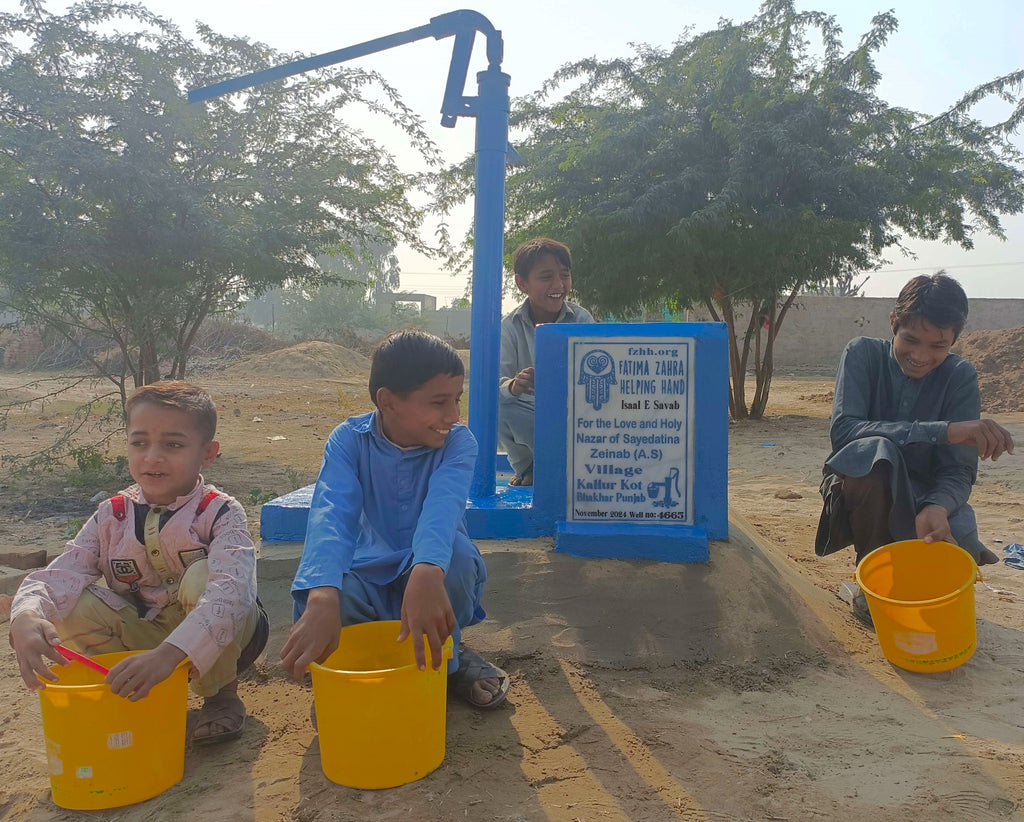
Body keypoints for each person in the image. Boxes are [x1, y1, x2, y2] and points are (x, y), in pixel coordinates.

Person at [9, 381, 269, 744]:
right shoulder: (110, 516)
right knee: (63, 605)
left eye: (173, 445)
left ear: (208, 454)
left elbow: (232, 594)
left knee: (203, 577)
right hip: (147, 636)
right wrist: (25, 615)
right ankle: (135, 688)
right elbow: (59, 575)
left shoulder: (221, 512)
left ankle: (221, 696)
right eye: (139, 442)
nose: (153, 457)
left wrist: (169, 655)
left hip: (228, 637)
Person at [280, 329, 509, 710]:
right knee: (326, 588)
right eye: (438, 402)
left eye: (457, 400)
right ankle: (361, 675)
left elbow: (442, 511)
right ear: (388, 401)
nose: (452, 415)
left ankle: (446, 667)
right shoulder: (348, 441)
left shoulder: (459, 443)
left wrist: (426, 570)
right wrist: (321, 593)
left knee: (453, 558)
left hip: (429, 575)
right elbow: (332, 514)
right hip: (366, 574)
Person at [814, 273, 1015, 623]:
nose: (921, 356)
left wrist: (936, 507)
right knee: (875, 453)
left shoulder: (960, 376)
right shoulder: (862, 354)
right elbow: (845, 433)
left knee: (952, 565)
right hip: (863, 490)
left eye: (938, 346)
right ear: (894, 322)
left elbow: (958, 469)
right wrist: (945, 431)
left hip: (925, 494)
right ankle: (874, 574)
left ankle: (911, 572)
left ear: (954, 339)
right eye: (911, 340)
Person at [499, 237, 595, 486]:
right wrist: (514, 385)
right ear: (522, 283)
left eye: (564, 275)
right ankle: (530, 467)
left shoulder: (582, 320)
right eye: (546, 277)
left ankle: (580, 467)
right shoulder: (509, 328)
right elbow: (495, 384)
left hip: (576, 415)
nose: (558, 285)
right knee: (496, 405)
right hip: (532, 416)